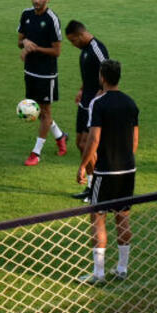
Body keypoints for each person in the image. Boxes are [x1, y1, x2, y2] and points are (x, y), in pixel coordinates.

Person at [77, 60, 138, 284]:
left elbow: (93, 139)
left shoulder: (98, 103)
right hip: (128, 169)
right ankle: (122, 268)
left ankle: (99, 273)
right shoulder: (130, 103)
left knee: (98, 217)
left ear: (102, 77)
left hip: (106, 171)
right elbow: (135, 140)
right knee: (122, 217)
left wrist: (83, 165)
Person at [18, 0, 65, 166]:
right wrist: (25, 43)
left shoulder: (52, 19)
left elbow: (57, 51)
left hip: (46, 74)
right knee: (38, 111)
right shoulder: (26, 15)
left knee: (45, 112)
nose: (36, 1)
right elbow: (20, 41)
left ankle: (36, 153)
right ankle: (60, 136)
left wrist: (34, 48)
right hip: (30, 71)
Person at [65, 20, 109, 201]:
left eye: (73, 41)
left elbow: (108, 74)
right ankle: (91, 186)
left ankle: (99, 188)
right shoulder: (84, 50)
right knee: (80, 143)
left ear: (81, 35)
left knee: (88, 144)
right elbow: (90, 75)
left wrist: (100, 96)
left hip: (94, 105)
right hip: (85, 102)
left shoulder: (97, 49)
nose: (73, 44)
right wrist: (82, 90)